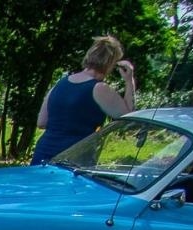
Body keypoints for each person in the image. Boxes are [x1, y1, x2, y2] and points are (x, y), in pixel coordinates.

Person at [30, 36, 136, 165]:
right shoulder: (99, 88)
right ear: (111, 63)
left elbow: (42, 122)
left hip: (43, 152)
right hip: (74, 158)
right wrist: (129, 81)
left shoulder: (60, 83)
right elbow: (129, 118)